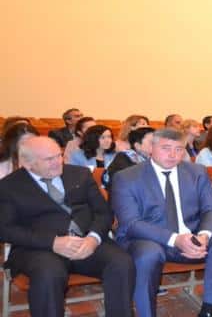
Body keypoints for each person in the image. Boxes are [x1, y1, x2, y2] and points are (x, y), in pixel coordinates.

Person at [0, 136, 134, 317]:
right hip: (39, 249)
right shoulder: (9, 186)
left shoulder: (80, 174)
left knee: (121, 262)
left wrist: (93, 239)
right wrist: (52, 242)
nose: (58, 162)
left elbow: (104, 213)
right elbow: (5, 229)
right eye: (49, 159)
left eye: (59, 155)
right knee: (48, 273)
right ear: (27, 163)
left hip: (86, 241)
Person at [111, 129, 212, 317]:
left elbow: (210, 209)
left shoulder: (196, 172)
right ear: (151, 148)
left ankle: (209, 309)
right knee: (148, 254)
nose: (172, 155)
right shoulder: (127, 177)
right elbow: (131, 223)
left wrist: (203, 236)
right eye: (166, 148)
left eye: (178, 149)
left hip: (190, 235)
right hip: (147, 239)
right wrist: (175, 239)